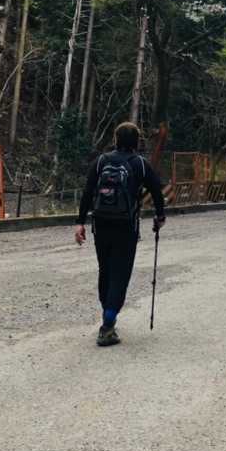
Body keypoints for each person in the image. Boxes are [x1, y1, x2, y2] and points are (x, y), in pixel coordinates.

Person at [75, 122, 166, 347]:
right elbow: (157, 191)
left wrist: (80, 223)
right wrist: (159, 217)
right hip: (126, 227)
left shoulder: (101, 161)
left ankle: (108, 314)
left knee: (105, 271)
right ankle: (107, 325)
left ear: (115, 139)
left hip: (101, 224)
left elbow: (87, 192)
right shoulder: (140, 164)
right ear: (136, 141)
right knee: (120, 274)